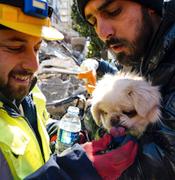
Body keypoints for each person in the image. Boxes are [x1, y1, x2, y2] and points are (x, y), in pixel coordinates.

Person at [0, 1, 138, 180]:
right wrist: (73, 172)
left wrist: (59, 134)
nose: (34, 65)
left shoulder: (26, 92)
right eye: (15, 47)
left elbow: (36, 127)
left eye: (37, 48)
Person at [76, 0, 175, 179]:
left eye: (114, 11)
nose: (102, 32)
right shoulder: (150, 49)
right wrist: (98, 65)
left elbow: (163, 165)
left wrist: (75, 169)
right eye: (93, 22)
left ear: (150, 6)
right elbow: (126, 89)